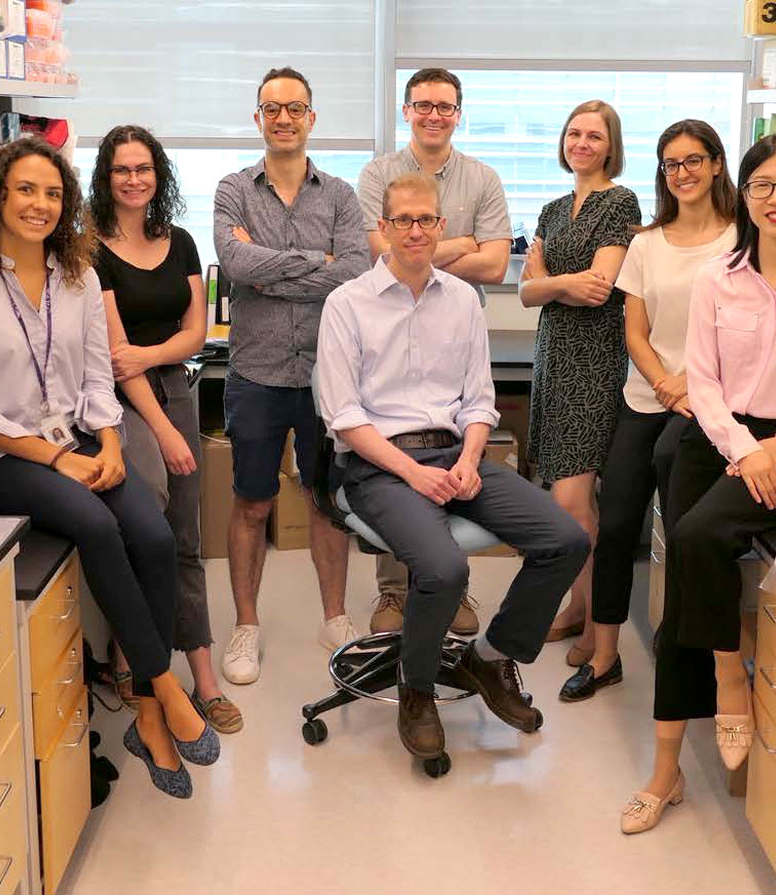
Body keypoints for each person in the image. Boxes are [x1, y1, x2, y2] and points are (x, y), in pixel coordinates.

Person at [0, 137, 218, 800]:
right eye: (26, 189)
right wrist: (60, 458)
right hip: (0, 455)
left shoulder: (79, 275)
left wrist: (111, 445)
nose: (39, 204)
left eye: (53, 193)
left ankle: (145, 714)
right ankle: (164, 685)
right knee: (95, 522)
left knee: (156, 534)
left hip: (81, 436)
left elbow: (96, 377)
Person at [622, 131, 776, 834]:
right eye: (763, 184)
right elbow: (700, 380)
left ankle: (730, 675)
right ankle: (666, 770)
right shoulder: (719, 278)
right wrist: (741, 447)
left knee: (697, 538)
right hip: (712, 439)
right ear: (747, 192)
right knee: (685, 586)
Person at [317, 171, 591, 761]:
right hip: (379, 467)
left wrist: (470, 458)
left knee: (566, 539)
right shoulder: (347, 304)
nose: (416, 231)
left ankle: (489, 659)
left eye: (427, 220)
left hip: (455, 454)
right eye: (403, 221)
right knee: (443, 569)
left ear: (442, 227)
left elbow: (479, 401)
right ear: (384, 228)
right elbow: (342, 415)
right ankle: (417, 690)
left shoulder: (463, 299)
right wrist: (413, 474)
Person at [560, 119, 738, 704]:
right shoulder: (647, 241)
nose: (682, 173)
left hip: (707, 404)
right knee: (615, 526)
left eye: (693, 161)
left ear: (716, 164)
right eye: (671, 164)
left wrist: (690, 383)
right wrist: (664, 381)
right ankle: (606, 655)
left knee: (686, 530)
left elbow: (742, 329)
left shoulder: (741, 239)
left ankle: (685, 644)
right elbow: (633, 328)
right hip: (646, 396)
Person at [213, 67, 372, 685]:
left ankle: (335, 616)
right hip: (255, 372)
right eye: (272, 109)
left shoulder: (337, 195)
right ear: (258, 118)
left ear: (312, 118)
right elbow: (234, 261)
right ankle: (246, 625)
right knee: (252, 502)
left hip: (328, 375)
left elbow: (355, 271)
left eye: (295, 108)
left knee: (327, 500)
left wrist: (270, 269)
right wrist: (316, 261)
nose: (283, 118)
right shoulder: (233, 188)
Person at [90, 124, 241, 735]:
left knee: (185, 535)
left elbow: (194, 333)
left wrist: (152, 360)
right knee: (142, 531)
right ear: (105, 177)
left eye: (144, 169)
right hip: (121, 406)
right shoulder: (87, 249)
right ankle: (141, 662)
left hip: (175, 386)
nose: (134, 179)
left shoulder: (177, 241)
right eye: (123, 169)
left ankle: (203, 678)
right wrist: (166, 431)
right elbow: (112, 354)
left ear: (159, 176)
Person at [356, 67, 513, 638]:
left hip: (451, 338)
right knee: (395, 460)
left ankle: (454, 587)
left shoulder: (483, 178)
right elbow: (379, 255)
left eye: (444, 106)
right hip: (389, 345)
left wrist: (420, 252)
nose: (433, 115)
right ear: (406, 111)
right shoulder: (377, 174)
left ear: (458, 113)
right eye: (422, 105)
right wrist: (462, 243)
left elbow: (496, 266)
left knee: (448, 453)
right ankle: (394, 591)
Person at [519, 100, 641, 665]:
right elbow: (524, 293)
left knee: (573, 502)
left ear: (610, 145)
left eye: (594, 135)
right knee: (565, 497)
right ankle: (575, 607)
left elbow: (601, 286)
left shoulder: (621, 201)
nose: (582, 143)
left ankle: (596, 624)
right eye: (574, 133)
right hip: (553, 356)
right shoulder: (550, 209)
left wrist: (548, 280)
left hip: (595, 361)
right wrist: (546, 284)